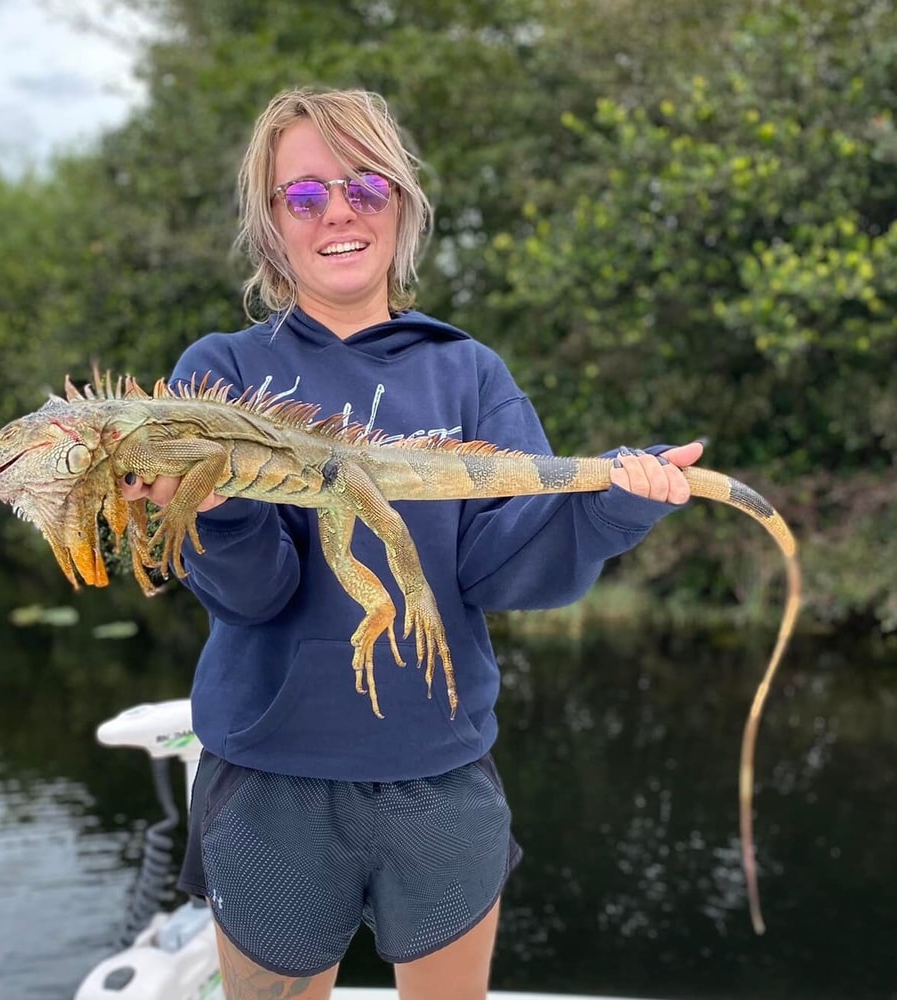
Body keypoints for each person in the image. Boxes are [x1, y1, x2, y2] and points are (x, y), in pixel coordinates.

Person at [119, 87, 703, 1000]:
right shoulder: (219, 374)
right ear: (270, 224)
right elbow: (253, 594)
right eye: (303, 195)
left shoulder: (470, 372)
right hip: (271, 778)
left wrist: (610, 506)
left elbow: (504, 568)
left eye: (365, 187)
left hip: (441, 769)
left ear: (403, 203)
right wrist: (219, 505)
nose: (337, 213)